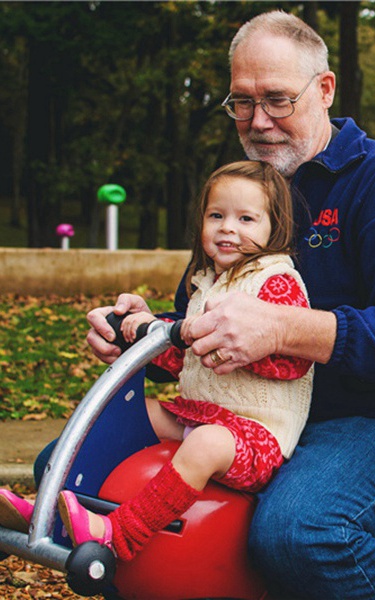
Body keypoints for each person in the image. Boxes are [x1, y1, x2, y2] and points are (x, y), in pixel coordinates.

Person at [49, 9, 375, 599]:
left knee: (299, 530)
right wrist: (141, 333)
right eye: (242, 102)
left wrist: (283, 329)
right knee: (65, 471)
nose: (258, 121)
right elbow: (203, 326)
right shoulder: (244, 190)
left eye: (277, 100)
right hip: (242, 413)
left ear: (324, 89)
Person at [3, 161, 314, 562]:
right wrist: (141, 334)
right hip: (198, 413)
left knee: (203, 444)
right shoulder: (208, 281)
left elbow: (294, 362)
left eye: (247, 219)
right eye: (216, 215)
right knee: (122, 415)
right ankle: (50, 515)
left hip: (256, 436)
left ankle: (121, 534)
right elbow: (183, 358)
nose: (228, 228)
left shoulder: (276, 281)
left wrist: (236, 344)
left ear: (275, 228)